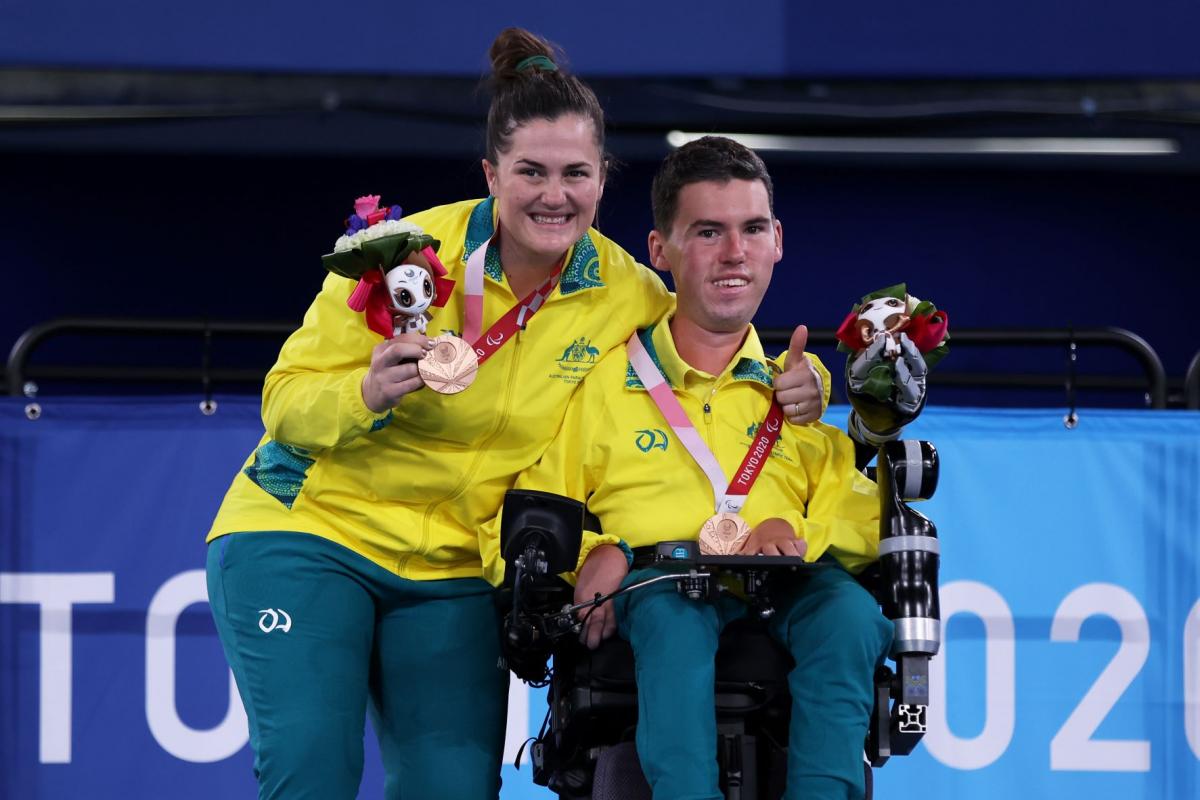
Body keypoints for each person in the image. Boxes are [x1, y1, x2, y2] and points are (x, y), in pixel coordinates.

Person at [204, 28, 826, 800]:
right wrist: (363, 394)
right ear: (492, 172)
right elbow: (284, 400)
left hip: (458, 567)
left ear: (603, 179)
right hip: (309, 533)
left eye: (575, 173)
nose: (553, 195)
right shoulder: (400, 256)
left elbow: (713, 344)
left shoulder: (625, 290)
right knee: (313, 772)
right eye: (530, 171)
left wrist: (807, 387)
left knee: (454, 789)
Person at [498, 136, 892, 800]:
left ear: (777, 241)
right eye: (708, 231)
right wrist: (603, 549)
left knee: (852, 615)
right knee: (672, 612)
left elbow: (859, 512)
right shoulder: (601, 383)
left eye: (752, 229)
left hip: (789, 589)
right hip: (665, 583)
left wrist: (792, 535)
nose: (734, 252)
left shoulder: (794, 393)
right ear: (661, 251)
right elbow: (539, 501)